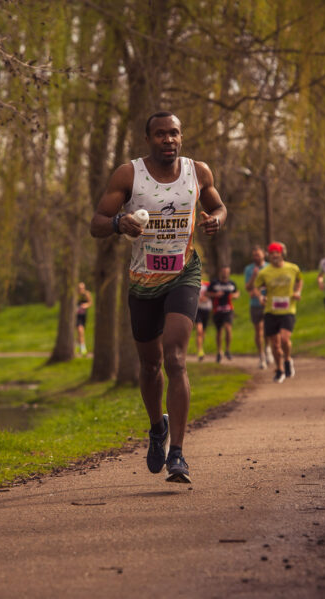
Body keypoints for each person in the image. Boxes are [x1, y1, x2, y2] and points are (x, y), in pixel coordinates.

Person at [90, 111, 226, 484]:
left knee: (176, 358)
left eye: (175, 133)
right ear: (149, 138)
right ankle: (157, 429)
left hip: (184, 273)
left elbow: (217, 205)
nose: (169, 139)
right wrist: (119, 222)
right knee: (149, 367)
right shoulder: (128, 174)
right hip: (142, 281)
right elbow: (97, 222)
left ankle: (178, 455)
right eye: (161, 134)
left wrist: (217, 219)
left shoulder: (198, 171)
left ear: (182, 136)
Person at [247, 242, 302, 384]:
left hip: (288, 310)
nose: (274, 256)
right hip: (271, 311)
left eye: (277, 253)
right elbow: (256, 287)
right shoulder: (264, 272)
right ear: (268, 256)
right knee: (275, 345)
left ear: (282, 253)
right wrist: (260, 297)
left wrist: (297, 292)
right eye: (271, 254)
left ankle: (288, 359)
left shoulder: (293, 268)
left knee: (284, 339)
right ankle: (279, 369)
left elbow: (299, 280)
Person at [244, 245, 272, 369]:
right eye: (254, 255)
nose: (256, 257)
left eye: (258, 254)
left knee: (268, 330)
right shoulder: (249, 269)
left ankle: (268, 348)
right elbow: (248, 287)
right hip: (255, 304)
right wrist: (254, 276)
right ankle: (261, 356)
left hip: (269, 303)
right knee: (259, 330)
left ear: (264, 254)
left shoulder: (270, 267)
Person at [209, 266, 239, 362]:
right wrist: (215, 295)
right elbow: (207, 293)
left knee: (228, 328)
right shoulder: (214, 283)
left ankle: (228, 350)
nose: (225, 273)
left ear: (229, 273)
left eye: (227, 272)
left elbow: (237, 293)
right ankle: (219, 352)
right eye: (223, 271)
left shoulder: (232, 283)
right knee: (219, 332)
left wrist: (235, 295)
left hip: (228, 310)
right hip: (217, 310)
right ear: (220, 272)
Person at [194, 280, 212, 361]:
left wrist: (207, 297)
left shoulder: (208, 284)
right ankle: (200, 351)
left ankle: (201, 348)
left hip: (206, 310)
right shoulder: (193, 282)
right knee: (199, 330)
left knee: (203, 332)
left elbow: (213, 293)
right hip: (197, 310)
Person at [75, 281, 92, 356]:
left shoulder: (86, 294)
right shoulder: (76, 295)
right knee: (80, 330)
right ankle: (83, 348)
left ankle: (76, 345)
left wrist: (85, 305)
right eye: (79, 288)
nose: (80, 289)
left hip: (83, 315)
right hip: (76, 316)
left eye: (82, 288)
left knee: (80, 332)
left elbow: (90, 302)